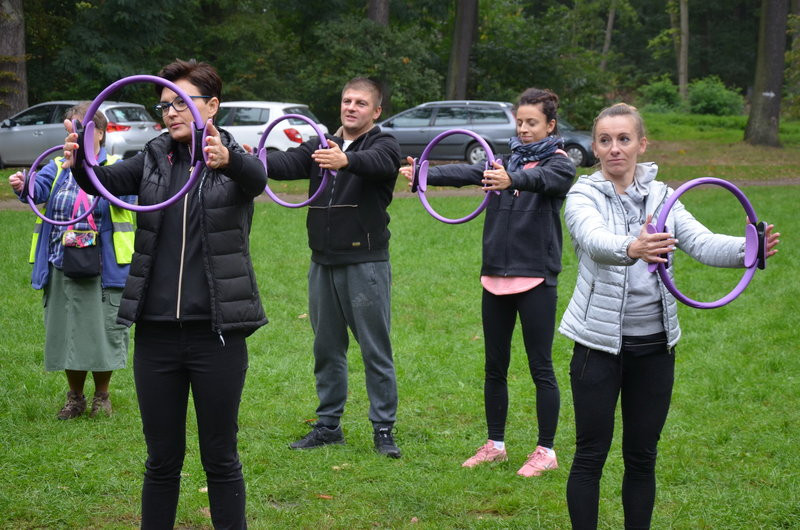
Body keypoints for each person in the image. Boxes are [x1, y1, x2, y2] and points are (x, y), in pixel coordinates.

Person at [63, 59, 267, 529]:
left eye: (182, 103)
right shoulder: (154, 155)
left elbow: (256, 178)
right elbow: (105, 184)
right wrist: (81, 161)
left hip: (216, 334)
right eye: (165, 105)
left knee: (220, 456)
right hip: (155, 334)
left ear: (211, 106)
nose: (170, 112)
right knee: (161, 460)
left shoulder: (232, 157)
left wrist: (229, 159)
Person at [558, 103, 780, 529]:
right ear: (595, 148)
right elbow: (594, 240)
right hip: (598, 347)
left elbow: (701, 242)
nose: (615, 148)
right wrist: (632, 247)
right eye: (605, 140)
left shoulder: (664, 196)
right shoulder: (582, 194)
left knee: (642, 456)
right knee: (590, 455)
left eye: (624, 139)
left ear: (641, 144)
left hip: (655, 347)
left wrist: (746, 249)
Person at [399, 88, 576, 476]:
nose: (525, 129)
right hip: (494, 275)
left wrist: (510, 178)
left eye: (533, 123)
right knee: (494, 365)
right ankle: (495, 443)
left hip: (535, 278)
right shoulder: (506, 159)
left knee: (540, 366)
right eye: (520, 122)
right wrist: (424, 173)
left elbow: (546, 181)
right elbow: (467, 173)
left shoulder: (560, 164)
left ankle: (546, 450)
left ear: (550, 125)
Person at [265, 77, 402, 458]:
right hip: (322, 262)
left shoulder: (382, 143)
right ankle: (328, 426)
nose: (351, 107)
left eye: (360, 103)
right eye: (346, 100)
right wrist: (244, 157)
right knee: (326, 348)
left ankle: (384, 429)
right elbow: (284, 162)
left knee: (375, 349)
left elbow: (381, 164)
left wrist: (347, 159)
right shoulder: (320, 143)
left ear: (375, 111)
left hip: (365, 262)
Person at [8, 102, 134, 420]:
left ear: (100, 134)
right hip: (61, 262)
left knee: (103, 333)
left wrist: (94, 175)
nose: (75, 134)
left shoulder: (116, 165)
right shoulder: (57, 166)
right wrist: (24, 185)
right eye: (71, 129)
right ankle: (75, 398)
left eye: (82, 128)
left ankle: (101, 397)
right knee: (67, 332)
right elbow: (36, 190)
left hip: (103, 268)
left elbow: (129, 198)